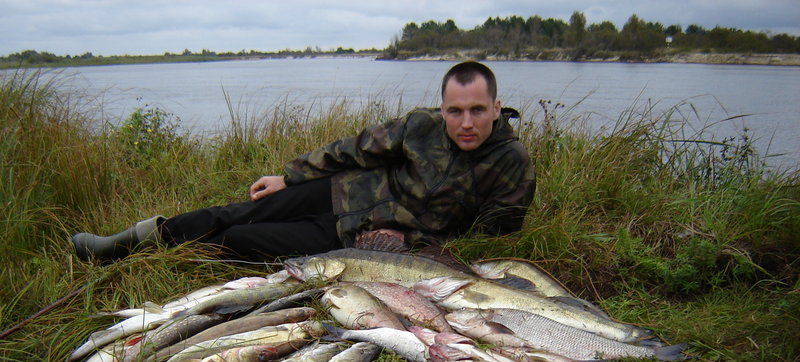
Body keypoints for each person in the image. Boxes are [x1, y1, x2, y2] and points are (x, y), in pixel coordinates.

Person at [71, 61, 535, 263]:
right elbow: (353, 149)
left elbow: (484, 239)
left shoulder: (512, 163)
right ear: (443, 108)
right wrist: (289, 177)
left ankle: (192, 257)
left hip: (349, 235)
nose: (466, 122)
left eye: (477, 110)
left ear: (497, 107)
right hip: (339, 192)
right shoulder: (421, 124)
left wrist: (408, 241)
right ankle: (127, 244)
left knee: (239, 239)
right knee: (229, 213)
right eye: (455, 110)